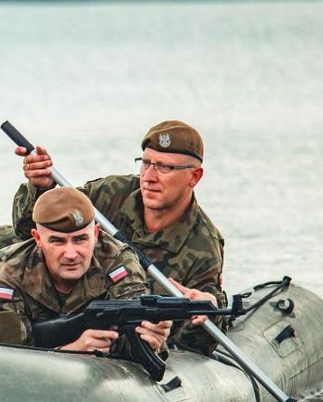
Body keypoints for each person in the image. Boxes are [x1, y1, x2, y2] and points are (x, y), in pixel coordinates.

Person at [12, 120, 225, 354]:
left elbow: (192, 349)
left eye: (164, 167)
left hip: (125, 349)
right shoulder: (108, 195)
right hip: (61, 315)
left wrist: (206, 311)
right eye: (146, 163)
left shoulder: (204, 246)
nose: (149, 177)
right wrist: (42, 188)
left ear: (194, 177)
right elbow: (28, 232)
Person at [0, 188, 171, 356]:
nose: (71, 254)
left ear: (96, 234)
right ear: (37, 238)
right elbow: (6, 358)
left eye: (80, 239)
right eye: (58, 241)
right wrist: (69, 353)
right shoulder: (6, 273)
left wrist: (150, 340)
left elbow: (131, 342)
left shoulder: (117, 261)